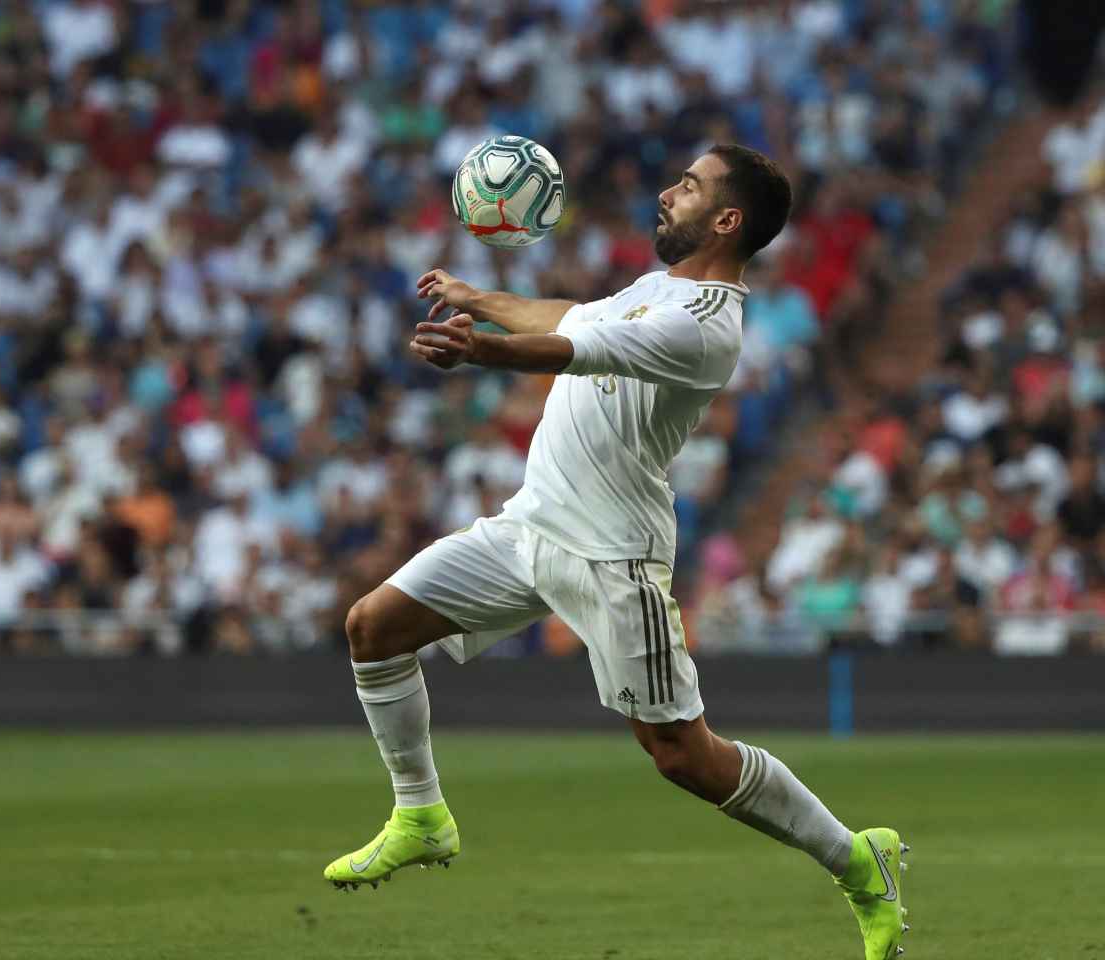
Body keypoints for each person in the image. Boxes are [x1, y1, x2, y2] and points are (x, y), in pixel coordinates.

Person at [323, 146, 908, 958]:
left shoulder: (706, 327)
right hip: (530, 527)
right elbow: (571, 319)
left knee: (682, 756)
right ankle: (421, 814)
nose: (669, 193)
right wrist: (478, 299)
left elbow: (569, 352)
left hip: (615, 557)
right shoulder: (657, 289)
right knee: (373, 627)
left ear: (727, 221)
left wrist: (479, 348)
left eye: (691, 187)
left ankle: (855, 857)